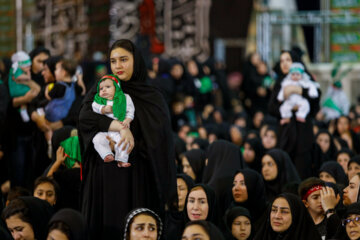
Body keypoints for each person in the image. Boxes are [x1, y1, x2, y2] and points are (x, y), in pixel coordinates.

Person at [78, 39, 176, 239]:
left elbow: (159, 142)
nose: (118, 66)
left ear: (136, 61)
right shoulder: (103, 89)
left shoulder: (151, 97)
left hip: (137, 176)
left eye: (124, 60)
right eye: (113, 61)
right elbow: (85, 118)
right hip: (103, 177)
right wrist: (121, 129)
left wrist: (130, 143)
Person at [269, 51, 320, 179]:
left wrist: (299, 90)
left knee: (302, 171)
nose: (284, 63)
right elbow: (271, 107)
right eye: (282, 61)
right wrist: (289, 107)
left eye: (288, 59)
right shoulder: (280, 82)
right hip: (285, 133)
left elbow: (315, 101)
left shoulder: (306, 80)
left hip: (303, 134)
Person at [92, 74, 134, 167]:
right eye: (101, 89)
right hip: (105, 129)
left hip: (119, 129)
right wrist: (103, 109)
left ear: (116, 87)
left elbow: (130, 111)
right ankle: (107, 154)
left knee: (123, 141)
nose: (104, 90)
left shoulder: (125, 98)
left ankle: (121, 160)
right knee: (97, 139)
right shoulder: (99, 100)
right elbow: (94, 107)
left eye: (108, 87)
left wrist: (127, 120)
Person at [254, 193, 322, 240]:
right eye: (274, 210)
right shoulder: (262, 236)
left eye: (284, 212)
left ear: (296, 217)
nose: (277, 216)